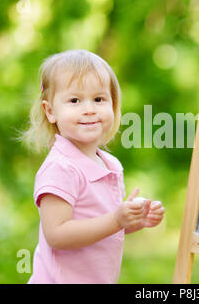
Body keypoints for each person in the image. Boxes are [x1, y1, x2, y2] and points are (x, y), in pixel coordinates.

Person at [21, 49, 165, 283]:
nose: (89, 109)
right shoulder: (60, 168)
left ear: (113, 104)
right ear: (50, 111)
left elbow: (101, 227)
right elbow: (56, 234)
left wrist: (132, 221)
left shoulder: (110, 165)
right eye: (75, 100)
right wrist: (116, 220)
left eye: (99, 99)